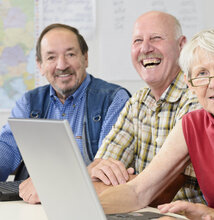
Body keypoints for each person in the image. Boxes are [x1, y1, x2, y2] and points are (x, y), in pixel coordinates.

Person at [96, 28, 214, 219]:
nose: (213, 83)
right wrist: (81, 210)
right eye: (202, 74)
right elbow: (139, 191)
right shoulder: (192, 124)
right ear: (189, 83)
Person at [0, 23, 131, 203]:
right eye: (51, 57)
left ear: (85, 58)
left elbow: (107, 170)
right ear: (40, 65)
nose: (62, 65)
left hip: (86, 205)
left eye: (70, 54)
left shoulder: (114, 100)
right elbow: (6, 149)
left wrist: (51, 183)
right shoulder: (29, 102)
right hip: (32, 206)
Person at [87, 11, 205, 204]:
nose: (146, 48)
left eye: (156, 38)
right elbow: (98, 172)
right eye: (137, 41)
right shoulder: (138, 101)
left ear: (181, 45)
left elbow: (162, 193)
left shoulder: (197, 98)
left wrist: (121, 184)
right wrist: (98, 173)